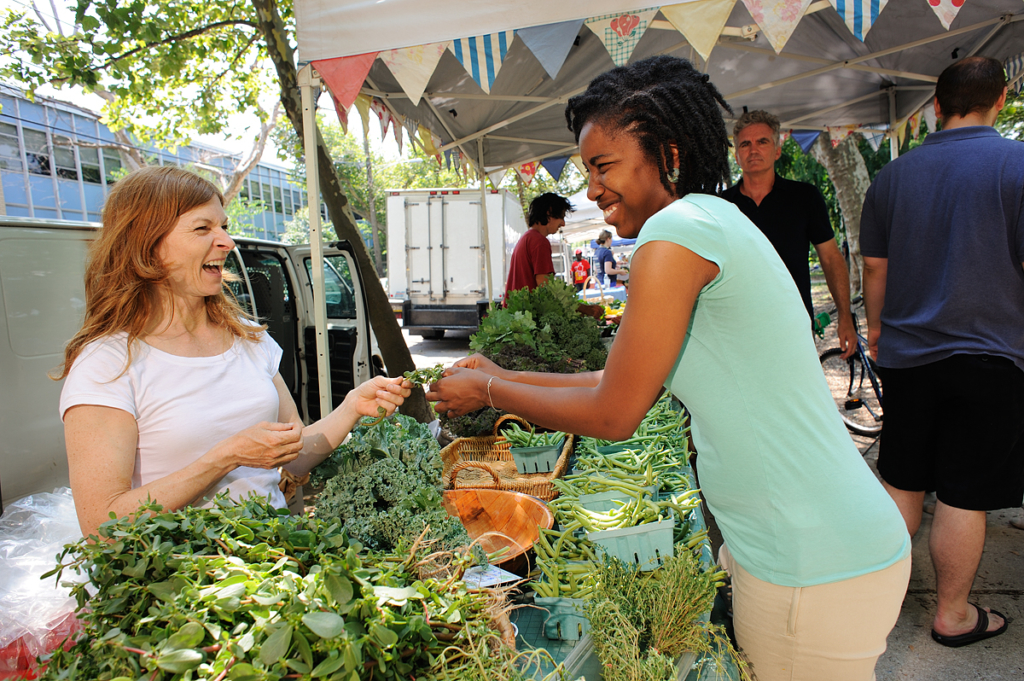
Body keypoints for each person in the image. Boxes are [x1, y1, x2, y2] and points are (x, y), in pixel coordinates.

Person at [428, 55, 910, 681]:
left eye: (604, 166)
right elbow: (616, 380)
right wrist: (499, 374)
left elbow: (614, 413)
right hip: (822, 544)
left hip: (813, 562)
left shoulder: (675, 236)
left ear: (667, 152)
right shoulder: (714, 219)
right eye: (587, 170)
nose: (593, 189)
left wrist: (490, 389)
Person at [56, 166, 412, 538]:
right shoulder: (108, 364)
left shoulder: (248, 341)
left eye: (223, 227)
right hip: (179, 582)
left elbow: (295, 452)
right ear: (147, 245)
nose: (227, 241)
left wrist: (353, 406)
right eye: (203, 228)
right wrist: (225, 457)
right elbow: (100, 524)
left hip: (271, 564)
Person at [860, 56, 1024, 648]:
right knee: (964, 493)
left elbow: (874, 267)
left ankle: (869, 604)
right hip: (992, 356)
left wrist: (878, 331)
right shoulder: (1017, 163)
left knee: (902, 484)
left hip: (908, 357)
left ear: (936, 105)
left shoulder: (893, 177)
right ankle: (952, 614)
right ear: (999, 100)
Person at [721, 110, 857, 358]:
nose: (753, 150)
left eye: (762, 142)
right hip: (735, 331)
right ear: (737, 155)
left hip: (794, 327)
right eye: (745, 144)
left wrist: (845, 316)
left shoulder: (805, 197)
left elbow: (830, 258)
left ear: (777, 150)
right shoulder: (721, 206)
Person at [504, 192, 573, 297]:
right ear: (549, 213)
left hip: (517, 311)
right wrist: (583, 309)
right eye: (561, 217)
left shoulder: (527, 238)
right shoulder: (539, 242)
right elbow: (546, 291)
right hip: (527, 312)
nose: (563, 223)